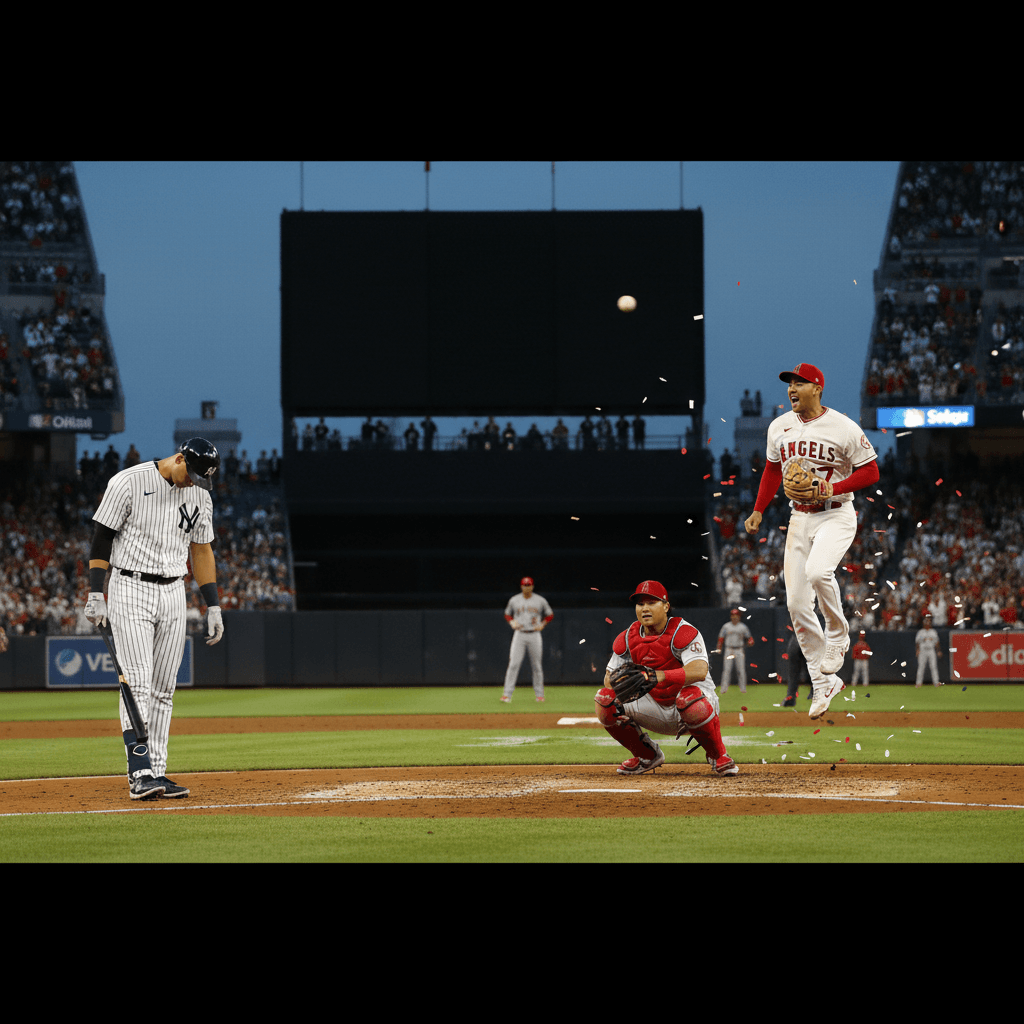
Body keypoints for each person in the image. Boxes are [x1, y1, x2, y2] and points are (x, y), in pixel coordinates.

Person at [83, 437, 225, 801]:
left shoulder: (199, 496)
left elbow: (202, 550)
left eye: (200, 478)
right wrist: (96, 592)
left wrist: (213, 604)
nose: (193, 482)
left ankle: (157, 771)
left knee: (164, 689)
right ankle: (139, 771)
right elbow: (102, 539)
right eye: (191, 473)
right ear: (179, 458)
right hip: (130, 587)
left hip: (174, 591)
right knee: (138, 683)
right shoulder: (127, 481)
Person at [743, 362, 880, 720]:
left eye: (799, 383)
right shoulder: (780, 427)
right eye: (789, 383)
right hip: (799, 517)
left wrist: (833, 486)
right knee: (797, 604)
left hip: (836, 512)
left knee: (820, 573)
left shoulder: (843, 426)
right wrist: (758, 510)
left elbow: (871, 470)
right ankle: (823, 682)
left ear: (817, 388)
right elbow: (773, 469)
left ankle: (838, 633)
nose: (791, 389)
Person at [596, 580, 738, 776]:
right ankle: (646, 755)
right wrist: (624, 681)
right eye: (640, 604)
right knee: (604, 700)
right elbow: (608, 679)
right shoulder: (628, 637)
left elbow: (699, 671)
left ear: (666, 606)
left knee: (689, 699)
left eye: (652, 602)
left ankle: (717, 754)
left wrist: (659, 676)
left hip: (696, 704)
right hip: (655, 705)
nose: (645, 608)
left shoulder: (683, 632)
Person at [501, 577, 553, 703]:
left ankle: (539, 695)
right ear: (521, 586)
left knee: (536, 666)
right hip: (519, 634)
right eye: (524, 585)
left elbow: (549, 614)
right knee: (513, 664)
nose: (527, 587)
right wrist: (512, 622)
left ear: (532, 586)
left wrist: (543, 624)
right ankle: (507, 695)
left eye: (529, 585)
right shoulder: (514, 600)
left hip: (534, 634)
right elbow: (507, 613)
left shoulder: (540, 600)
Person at [715, 608, 754, 694]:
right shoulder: (726, 626)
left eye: (736, 615)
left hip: (739, 649)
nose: (734, 617)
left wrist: (750, 641)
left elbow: (749, 637)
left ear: (739, 617)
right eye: (733, 615)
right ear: (731, 616)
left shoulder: (743, 627)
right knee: (727, 670)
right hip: (729, 649)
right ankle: (724, 688)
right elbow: (721, 637)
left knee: (741, 670)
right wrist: (719, 647)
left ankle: (743, 688)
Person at [782, 632, 810, 708]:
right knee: (793, 673)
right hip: (796, 638)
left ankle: (817, 696)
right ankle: (790, 697)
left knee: (813, 673)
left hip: (812, 640)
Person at [915, 613, 943, 687]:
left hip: (931, 650)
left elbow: (937, 643)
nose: (927, 624)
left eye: (928, 622)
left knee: (933, 666)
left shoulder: (933, 632)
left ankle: (936, 682)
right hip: (922, 650)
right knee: (921, 666)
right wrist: (917, 650)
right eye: (926, 622)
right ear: (924, 624)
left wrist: (938, 651)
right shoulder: (920, 632)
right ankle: (918, 683)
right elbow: (917, 642)